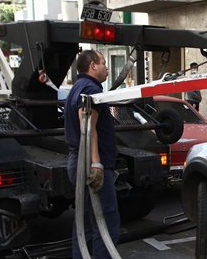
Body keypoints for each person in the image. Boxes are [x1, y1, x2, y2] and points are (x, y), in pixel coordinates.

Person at [64, 50, 120, 259]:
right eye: (104, 63)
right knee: (106, 223)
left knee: (86, 224)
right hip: (87, 162)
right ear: (92, 65)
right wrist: (96, 165)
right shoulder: (90, 88)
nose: (106, 67)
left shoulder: (77, 87)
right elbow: (88, 129)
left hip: (79, 161)